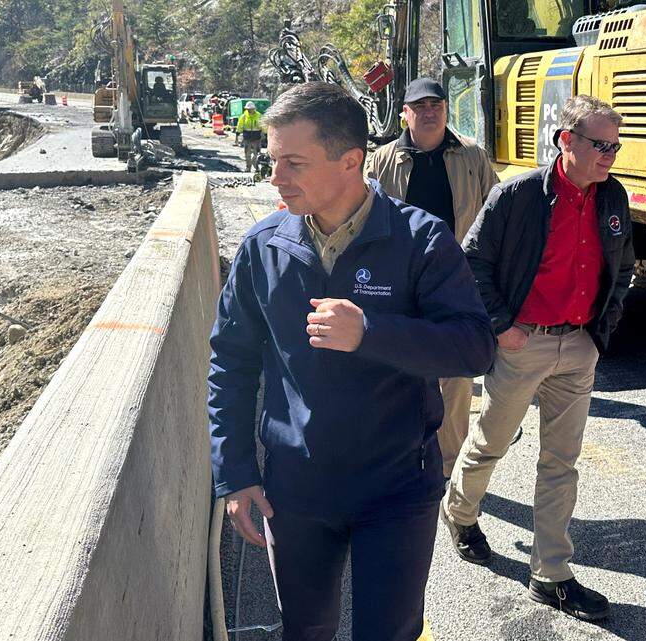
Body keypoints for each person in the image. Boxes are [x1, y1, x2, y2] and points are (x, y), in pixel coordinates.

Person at [207, 82, 495, 641]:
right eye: (272, 160)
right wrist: (235, 473)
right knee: (306, 628)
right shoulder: (263, 247)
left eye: (293, 162)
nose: (274, 177)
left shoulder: (421, 241)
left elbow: (473, 346)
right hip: (297, 490)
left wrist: (371, 332)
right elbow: (231, 363)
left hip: (396, 487)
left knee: (389, 631)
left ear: (350, 161)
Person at [441, 94, 634, 621]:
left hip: (579, 347)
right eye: (601, 144)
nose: (609, 155)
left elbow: (623, 269)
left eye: (615, 146)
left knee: (561, 463)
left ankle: (551, 573)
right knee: (489, 445)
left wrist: (599, 334)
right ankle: (459, 514)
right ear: (566, 140)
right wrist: (503, 326)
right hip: (523, 344)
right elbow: (472, 261)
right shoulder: (519, 195)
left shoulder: (613, 197)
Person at [367, 77, 499, 478]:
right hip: (398, 282)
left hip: (453, 282)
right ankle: (397, 454)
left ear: (446, 109)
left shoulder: (472, 157)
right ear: (404, 113)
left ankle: (447, 466)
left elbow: (496, 218)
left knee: (455, 379)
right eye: (419, 106)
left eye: (436, 105)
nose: (429, 112)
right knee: (395, 369)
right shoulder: (382, 161)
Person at [237, 101, 263, 174]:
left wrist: (266, 134)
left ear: (254, 109)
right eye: (248, 109)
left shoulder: (259, 116)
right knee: (247, 154)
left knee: (256, 154)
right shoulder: (244, 116)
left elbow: (263, 126)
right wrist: (237, 133)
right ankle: (248, 168)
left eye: (251, 109)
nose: (249, 110)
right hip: (247, 138)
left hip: (256, 138)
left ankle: (256, 167)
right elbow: (240, 126)